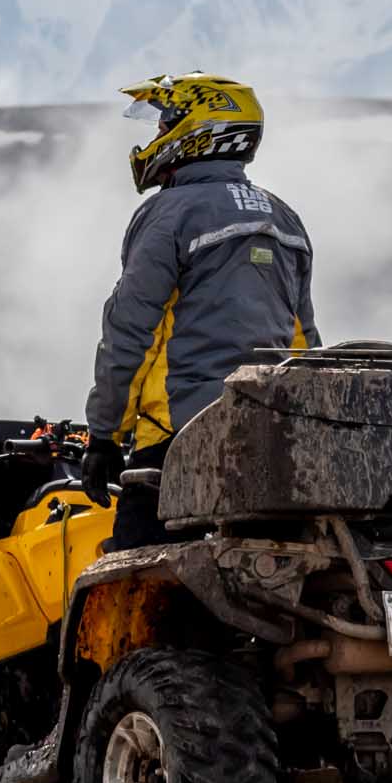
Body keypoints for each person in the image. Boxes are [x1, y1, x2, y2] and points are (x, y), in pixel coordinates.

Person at [83, 73, 317, 550]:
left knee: (131, 586)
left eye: (164, 122)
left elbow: (131, 332)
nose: (156, 136)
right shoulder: (284, 218)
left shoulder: (171, 213)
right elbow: (303, 344)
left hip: (178, 439)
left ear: (196, 130)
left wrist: (104, 434)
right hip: (269, 437)